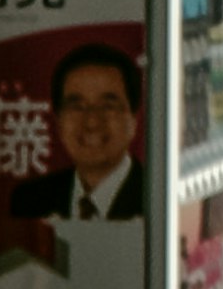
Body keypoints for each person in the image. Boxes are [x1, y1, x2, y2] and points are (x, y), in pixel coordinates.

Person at [39, 38, 145, 226]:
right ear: (58, 121)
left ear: (134, 118)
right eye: (77, 106)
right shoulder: (31, 199)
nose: (92, 122)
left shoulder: (154, 196)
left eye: (107, 106)